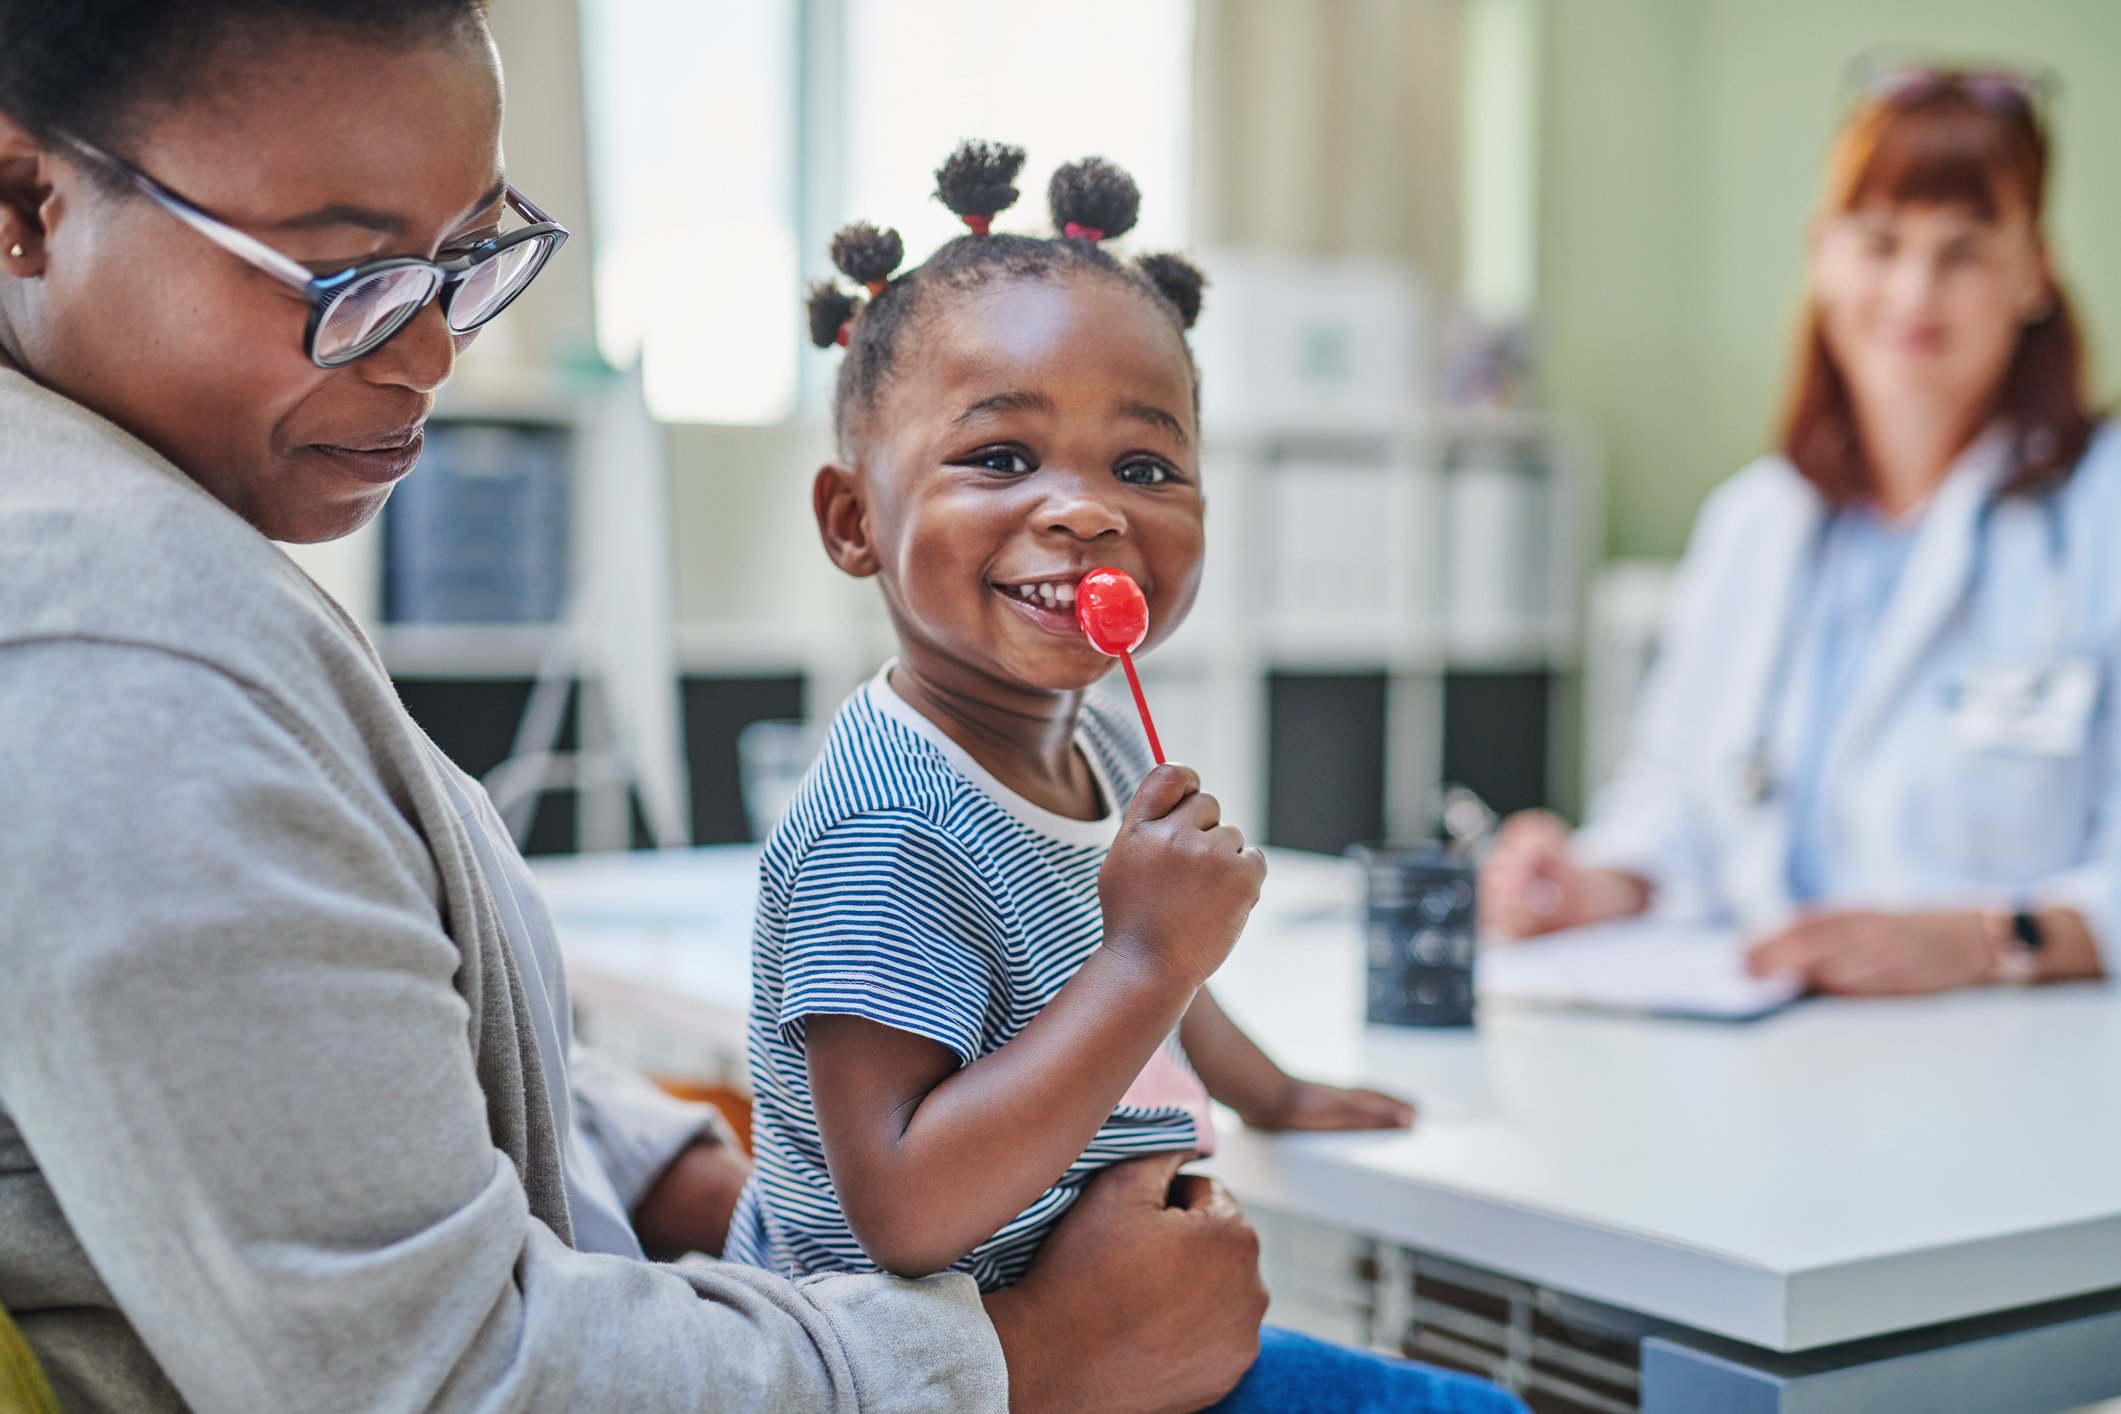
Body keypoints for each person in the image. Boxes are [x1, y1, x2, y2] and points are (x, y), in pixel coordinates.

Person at [0, 4, 1276, 1410]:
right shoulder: (120, 655)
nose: (432, 354)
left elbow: (338, 1055)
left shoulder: (165, 538)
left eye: (471, 258)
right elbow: (434, 1378)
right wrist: (1038, 1353)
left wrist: (697, 1182)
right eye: (350, 272)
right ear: (24, 205)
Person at [722, 141, 1521, 1414]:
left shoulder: (1087, 735)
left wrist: (1270, 1088)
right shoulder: (889, 829)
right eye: (999, 458)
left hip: (1131, 1330)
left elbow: (1144, 983)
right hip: (983, 1374)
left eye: (1143, 468)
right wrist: (1146, 956)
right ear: (852, 520)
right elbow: (905, 1208)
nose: (1086, 512)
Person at [1481, 65, 2114, 996]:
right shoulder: (1753, 523)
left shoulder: (2098, 511)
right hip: (1768, 1041)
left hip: (2019, 1053)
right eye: (1880, 242)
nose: (1912, 291)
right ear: (1822, 254)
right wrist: (1583, 885)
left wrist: (1992, 938)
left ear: (2034, 274)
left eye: (1964, 251)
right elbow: (1672, 810)